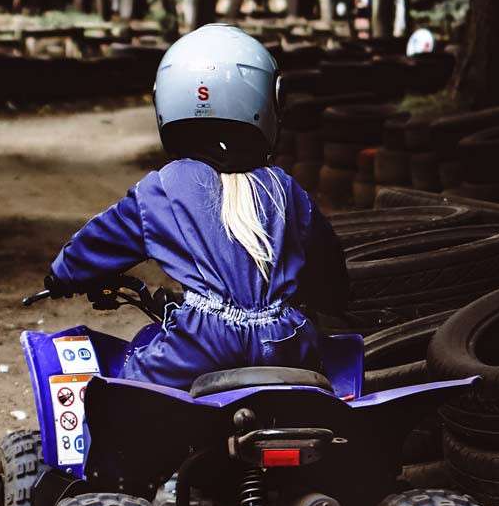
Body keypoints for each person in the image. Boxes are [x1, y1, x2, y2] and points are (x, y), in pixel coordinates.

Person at [45, 23, 349, 391]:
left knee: (116, 405)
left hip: (200, 346)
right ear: (268, 101)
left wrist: (62, 276)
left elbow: (98, 242)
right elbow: (328, 264)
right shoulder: (285, 189)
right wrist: (331, 301)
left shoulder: (162, 187)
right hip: (287, 343)